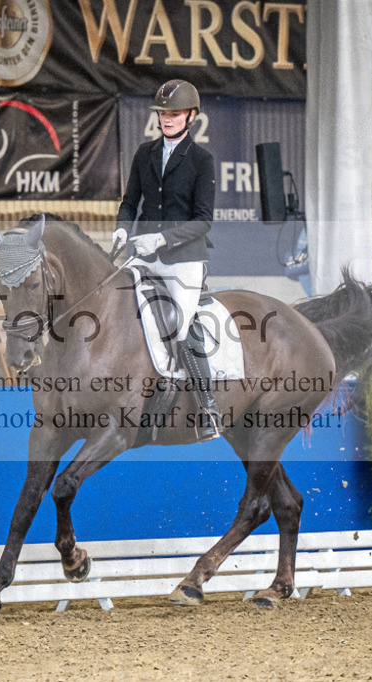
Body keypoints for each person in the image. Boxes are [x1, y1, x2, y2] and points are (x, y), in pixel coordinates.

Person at [114, 79, 220, 440]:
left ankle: (207, 407)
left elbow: (204, 220)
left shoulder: (202, 160)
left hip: (184, 261)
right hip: (143, 253)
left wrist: (162, 237)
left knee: (181, 323)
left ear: (191, 116)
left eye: (174, 113)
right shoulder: (145, 153)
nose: (167, 119)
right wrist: (122, 230)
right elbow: (130, 202)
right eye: (163, 113)